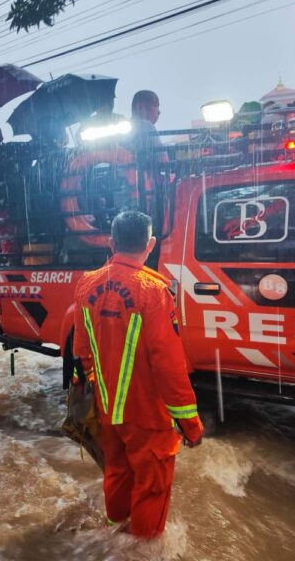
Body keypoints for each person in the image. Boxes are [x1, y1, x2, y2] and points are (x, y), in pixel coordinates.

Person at [73, 210, 203, 539]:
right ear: (151, 244)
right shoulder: (153, 290)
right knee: (152, 489)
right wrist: (190, 423)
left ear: (111, 242)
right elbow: (168, 363)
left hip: (107, 412)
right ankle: (141, 551)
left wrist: (100, 396)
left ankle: (113, 539)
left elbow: (82, 352)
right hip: (147, 416)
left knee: (117, 474)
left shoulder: (86, 285)